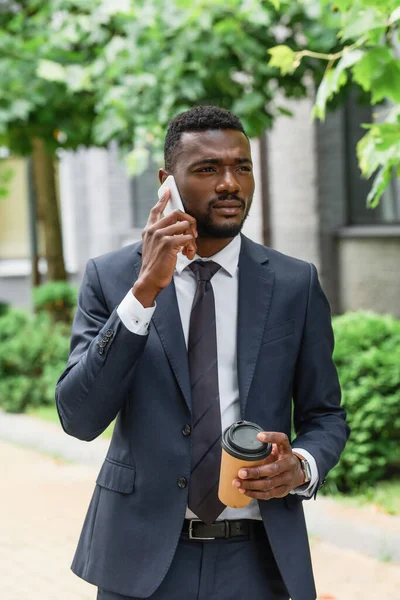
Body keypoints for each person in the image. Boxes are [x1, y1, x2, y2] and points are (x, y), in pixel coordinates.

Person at [56, 105, 350, 600]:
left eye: (242, 166)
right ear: (166, 182)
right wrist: (145, 290)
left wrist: (300, 465)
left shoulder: (295, 283)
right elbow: (79, 418)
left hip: (258, 561)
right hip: (141, 561)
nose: (230, 183)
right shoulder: (112, 278)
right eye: (208, 169)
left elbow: (326, 415)